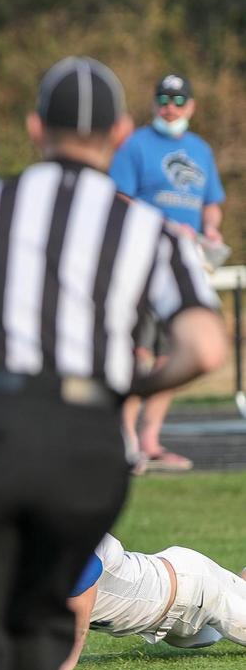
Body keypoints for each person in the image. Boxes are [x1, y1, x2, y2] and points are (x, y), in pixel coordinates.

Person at [0, 56, 226, 670]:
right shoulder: (147, 229)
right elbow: (205, 347)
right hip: (87, 446)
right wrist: (124, 382)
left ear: (35, 128)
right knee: (37, 647)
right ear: (122, 132)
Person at [110, 73, 228, 473]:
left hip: (185, 268)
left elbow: (211, 201)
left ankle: (150, 440)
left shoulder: (200, 150)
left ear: (191, 105)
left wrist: (210, 228)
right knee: (135, 352)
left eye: (178, 100)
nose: (170, 106)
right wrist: (160, 226)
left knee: (171, 354)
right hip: (141, 265)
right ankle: (125, 442)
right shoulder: (136, 145)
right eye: (163, 98)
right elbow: (119, 201)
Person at [60, 532, 246, 670]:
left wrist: (61, 666)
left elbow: (76, 625)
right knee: (232, 601)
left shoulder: (77, 547)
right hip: (170, 626)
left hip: (194, 591)